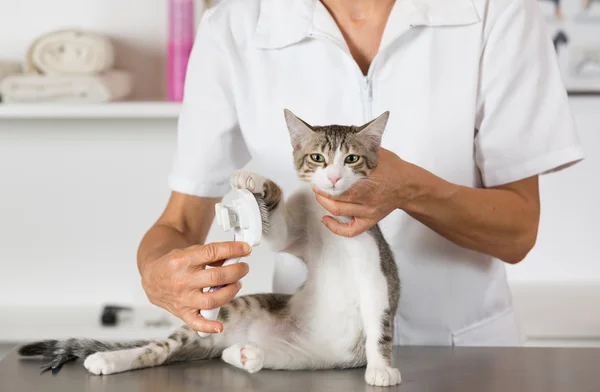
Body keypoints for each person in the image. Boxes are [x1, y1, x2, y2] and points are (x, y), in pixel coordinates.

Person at [137, 0, 584, 345]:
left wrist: (410, 189)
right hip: (307, 347)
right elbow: (177, 224)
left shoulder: (495, 11)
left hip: (464, 353)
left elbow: (518, 232)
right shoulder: (232, 27)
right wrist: (159, 276)